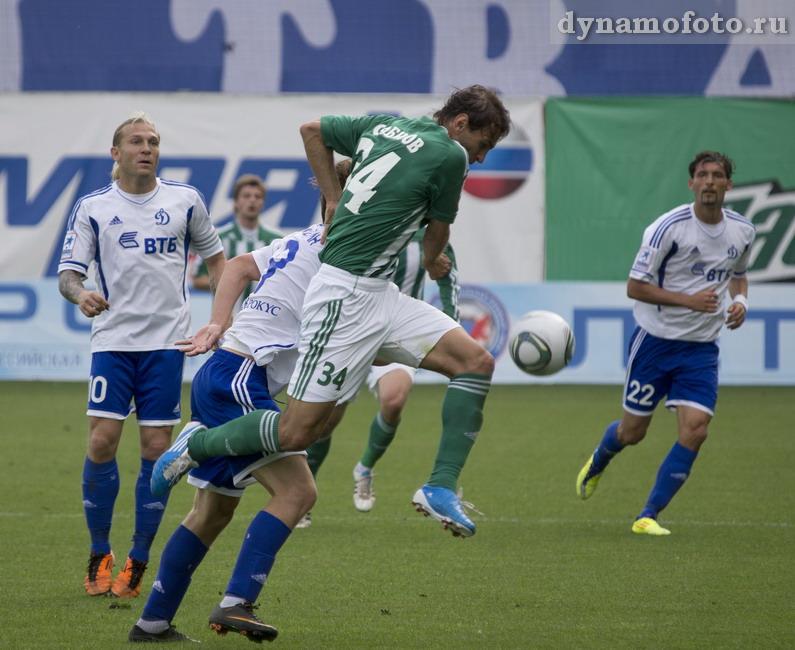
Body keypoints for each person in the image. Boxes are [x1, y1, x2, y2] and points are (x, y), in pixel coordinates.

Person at [153, 84, 511, 547]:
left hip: (380, 293)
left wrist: (334, 197)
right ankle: (196, 443)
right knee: (299, 430)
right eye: (482, 145)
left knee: (476, 362)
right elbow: (435, 241)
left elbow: (311, 130)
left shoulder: (385, 125)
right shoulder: (451, 156)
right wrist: (433, 259)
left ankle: (439, 485)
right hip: (346, 293)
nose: (479, 158)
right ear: (461, 124)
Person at [130, 164, 351, 643]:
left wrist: (218, 322)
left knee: (211, 514)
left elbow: (237, 266)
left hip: (224, 373)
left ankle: (152, 623)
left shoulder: (304, 238)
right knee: (298, 493)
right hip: (242, 379)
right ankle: (236, 602)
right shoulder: (344, 253)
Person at [58, 112, 225, 598]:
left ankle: (138, 558)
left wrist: (219, 317)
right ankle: (98, 552)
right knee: (102, 442)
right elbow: (70, 274)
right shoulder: (93, 206)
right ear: (117, 153)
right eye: (136, 141)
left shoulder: (184, 200)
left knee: (156, 449)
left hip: (166, 345)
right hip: (113, 342)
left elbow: (218, 260)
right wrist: (80, 294)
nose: (146, 148)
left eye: (153, 141)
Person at [575, 151, 755, 535]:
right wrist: (689, 300)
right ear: (691, 184)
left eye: (717, 175)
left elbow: (738, 275)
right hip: (655, 342)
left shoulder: (743, 231)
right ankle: (600, 459)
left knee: (696, 430)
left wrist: (740, 301)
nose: (709, 181)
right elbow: (635, 287)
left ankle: (648, 516)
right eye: (702, 175)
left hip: (702, 348)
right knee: (633, 433)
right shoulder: (668, 228)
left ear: (728, 185)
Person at [300, 228, 460, 526]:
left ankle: (365, 468)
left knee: (394, 399)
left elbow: (448, 277)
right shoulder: (367, 219)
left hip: (398, 332)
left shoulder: (432, 232)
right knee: (323, 422)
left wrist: (451, 327)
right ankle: (302, 495)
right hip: (353, 329)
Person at [192, 173, 283, 311]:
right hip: (229, 322)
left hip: (264, 324)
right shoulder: (219, 237)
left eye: (257, 196)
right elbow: (199, 280)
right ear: (236, 201)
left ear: (263, 203)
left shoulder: (276, 240)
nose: (252, 200)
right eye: (246, 196)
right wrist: (233, 278)